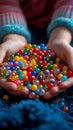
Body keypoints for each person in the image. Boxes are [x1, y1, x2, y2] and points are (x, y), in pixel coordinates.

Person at [0, 0, 73, 99]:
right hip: (20, 22)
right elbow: (6, 3)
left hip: (61, 22)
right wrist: (14, 38)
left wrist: (60, 38)